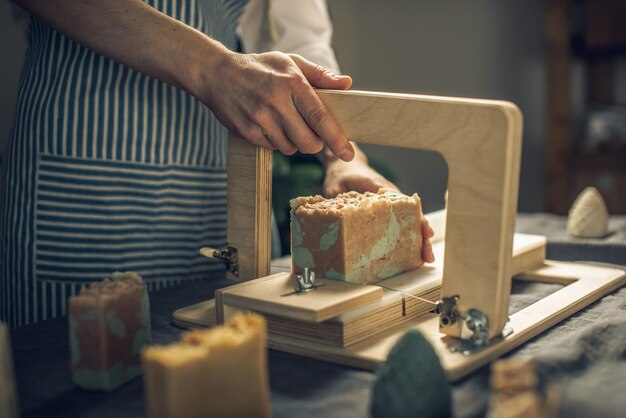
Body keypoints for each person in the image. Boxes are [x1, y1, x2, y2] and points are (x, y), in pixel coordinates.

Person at [1, 0, 434, 327]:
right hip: (79, 174)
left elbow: (301, 43)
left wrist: (344, 158)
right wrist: (212, 68)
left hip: (224, 177)